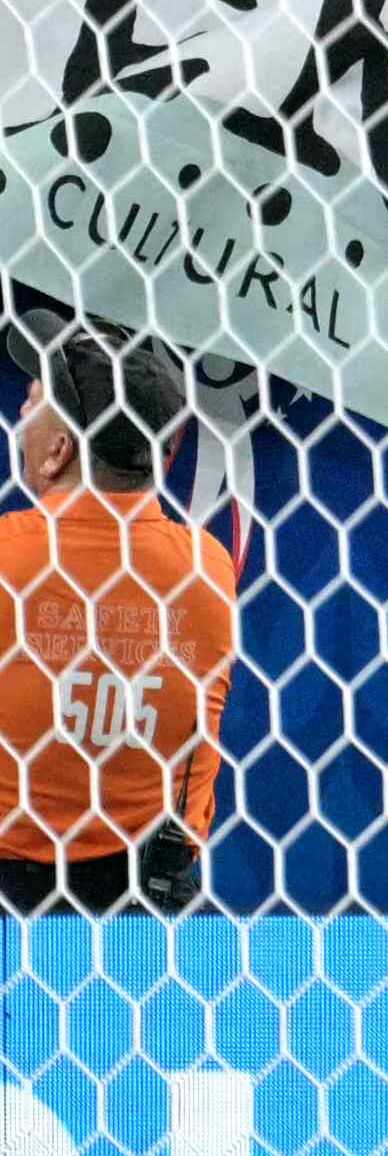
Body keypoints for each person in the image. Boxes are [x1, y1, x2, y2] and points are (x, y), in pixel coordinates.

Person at [0, 336, 231, 913]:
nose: (22, 413)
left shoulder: (7, 556)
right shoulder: (208, 567)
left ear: (57, 452)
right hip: (144, 912)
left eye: (35, 403)